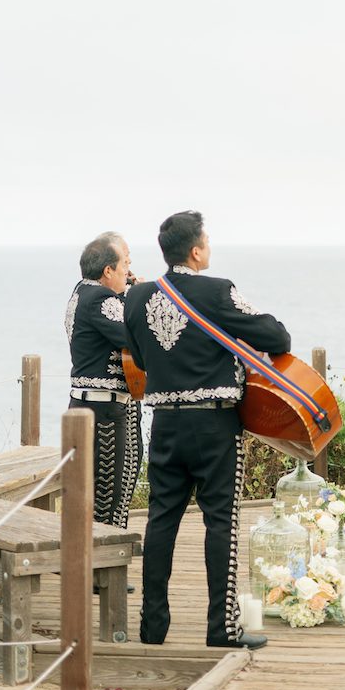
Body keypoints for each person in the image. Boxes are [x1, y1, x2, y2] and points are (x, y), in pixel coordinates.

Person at [124, 210, 291, 651]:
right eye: (208, 241)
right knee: (222, 523)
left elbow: (140, 360)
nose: (210, 248)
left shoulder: (137, 297)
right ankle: (221, 628)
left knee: (161, 520)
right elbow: (276, 336)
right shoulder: (217, 291)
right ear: (196, 251)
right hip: (214, 423)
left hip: (164, 424)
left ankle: (152, 627)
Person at [65, 232, 143, 530]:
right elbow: (134, 336)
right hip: (104, 412)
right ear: (107, 270)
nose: (128, 269)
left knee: (102, 493)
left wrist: (127, 292)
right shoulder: (99, 298)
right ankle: (102, 574)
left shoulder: (82, 292)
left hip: (91, 405)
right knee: (108, 498)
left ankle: (97, 569)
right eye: (124, 262)